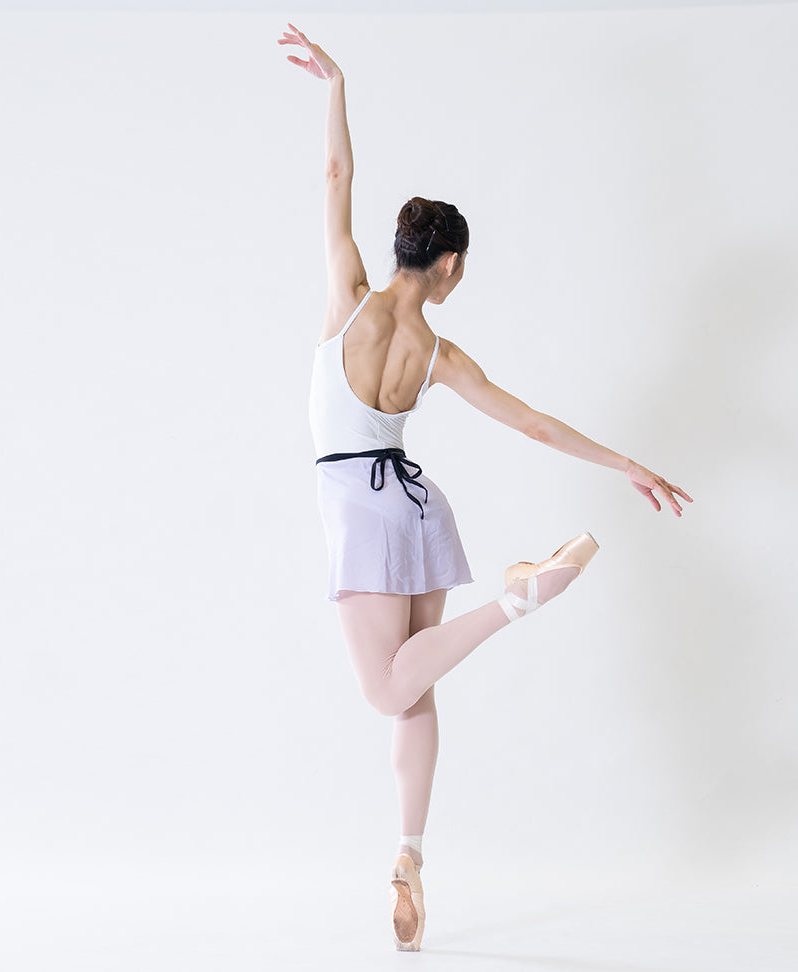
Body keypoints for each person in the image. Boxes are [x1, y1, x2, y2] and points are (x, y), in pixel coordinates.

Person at [279, 23, 692, 952]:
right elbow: (532, 423)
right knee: (413, 689)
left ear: (400, 247)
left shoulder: (347, 296)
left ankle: (517, 599)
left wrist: (336, 84)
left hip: (357, 509)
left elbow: (336, 178)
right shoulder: (442, 353)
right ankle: (410, 856)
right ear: (451, 265)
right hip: (416, 508)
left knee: (386, 691)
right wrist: (628, 465)